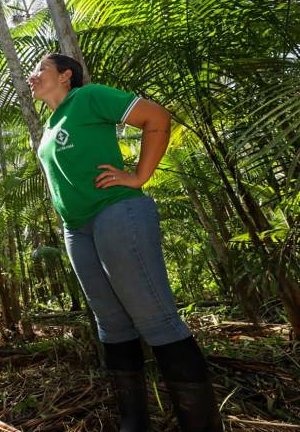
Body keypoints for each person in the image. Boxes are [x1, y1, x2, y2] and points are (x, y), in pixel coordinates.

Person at [28, 53, 222, 432]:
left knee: (157, 320)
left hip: (116, 213)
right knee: (112, 326)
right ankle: (133, 424)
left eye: (41, 69)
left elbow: (156, 118)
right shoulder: (50, 126)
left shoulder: (87, 97)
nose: (32, 75)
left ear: (66, 75)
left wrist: (138, 176)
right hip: (77, 230)